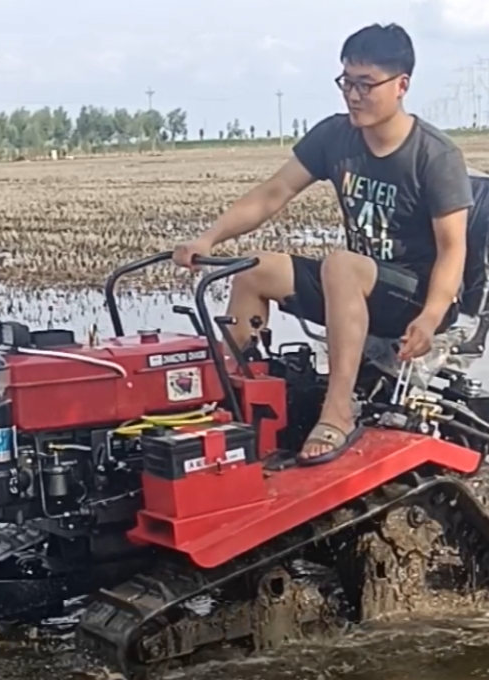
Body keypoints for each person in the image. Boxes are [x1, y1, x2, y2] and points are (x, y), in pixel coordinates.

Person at [174, 23, 472, 461]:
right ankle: (238, 402)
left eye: (366, 85)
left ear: (402, 85)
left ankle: (337, 412)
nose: (353, 95)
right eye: (346, 82)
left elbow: (453, 249)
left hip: (415, 295)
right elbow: (272, 193)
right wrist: (208, 237)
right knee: (253, 268)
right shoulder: (335, 136)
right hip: (353, 284)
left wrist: (430, 317)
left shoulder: (434, 155)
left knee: (341, 264)